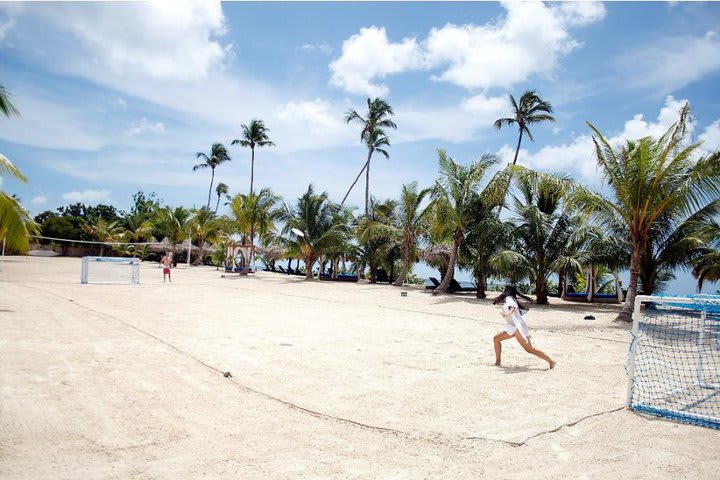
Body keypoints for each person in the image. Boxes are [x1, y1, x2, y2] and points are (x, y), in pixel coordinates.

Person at [492, 285, 555, 369]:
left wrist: (506, 313)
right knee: (496, 339)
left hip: (516, 328)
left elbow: (512, 307)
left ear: (507, 291)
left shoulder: (509, 299)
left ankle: (551, 361)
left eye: (504, 289)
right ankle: (498, 362)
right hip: (512, 327)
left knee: (530, 349)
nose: (502, 291)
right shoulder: (511, 298)